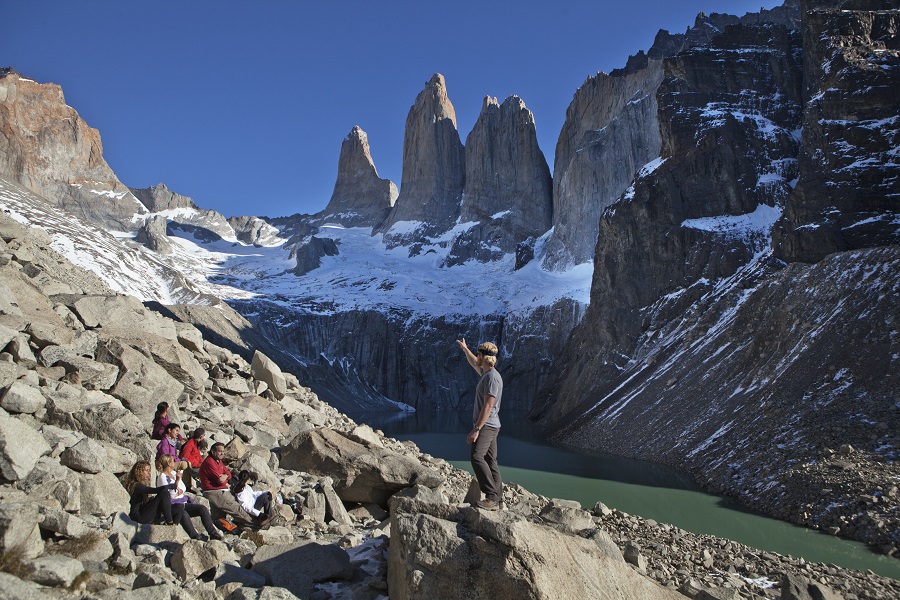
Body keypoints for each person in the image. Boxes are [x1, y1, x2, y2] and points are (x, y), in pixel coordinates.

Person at [456, 338, 503, 511]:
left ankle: (491, 497)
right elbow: (473, 363)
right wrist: (465, 349)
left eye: (478, 354)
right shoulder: (487, 373)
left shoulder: (491, 378)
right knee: (491, 462)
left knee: (476, 457)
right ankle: (499, 500)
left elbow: (488, 405)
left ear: (483, 356)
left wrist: (476, 428)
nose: (476, 357)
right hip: (492, 425)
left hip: (487, 426)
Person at [156, 454, 223, 541]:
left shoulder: (173, 473)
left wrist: (177, 487)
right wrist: (177, 482)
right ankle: (195, 536)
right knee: (184, 513)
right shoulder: (162, 477)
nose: (175, 462)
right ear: (169, 463)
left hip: (181, 502)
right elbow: (169, 494)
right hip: (171, 506)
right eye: (173, 461)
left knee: (202, 508)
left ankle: (213, 533)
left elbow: (182, 488)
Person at [198, 442, 258, 530]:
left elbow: (228, 474)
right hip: (213, 491)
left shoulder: (218, 461)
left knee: (242, 501)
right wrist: (225, 476)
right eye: (220, 451)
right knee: (235, 507)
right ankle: (255, 523)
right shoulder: (209, 462)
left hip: (222, 489)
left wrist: (225, 476)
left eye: (223, 451)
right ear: (213, 452)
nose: (222, 453)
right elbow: (220, 481)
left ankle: (250, 521)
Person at [123, 460, 175, 525]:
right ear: (139, 471)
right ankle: (170, 522)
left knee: (178, 508)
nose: (149, 473)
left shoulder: (141, 484)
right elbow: (151, 490)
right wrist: (168, 486)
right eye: (146, 470)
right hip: (138, 518)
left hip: (144, 513)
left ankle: (167, 521)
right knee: (164, 493)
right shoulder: (136, 485)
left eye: (149, 471)